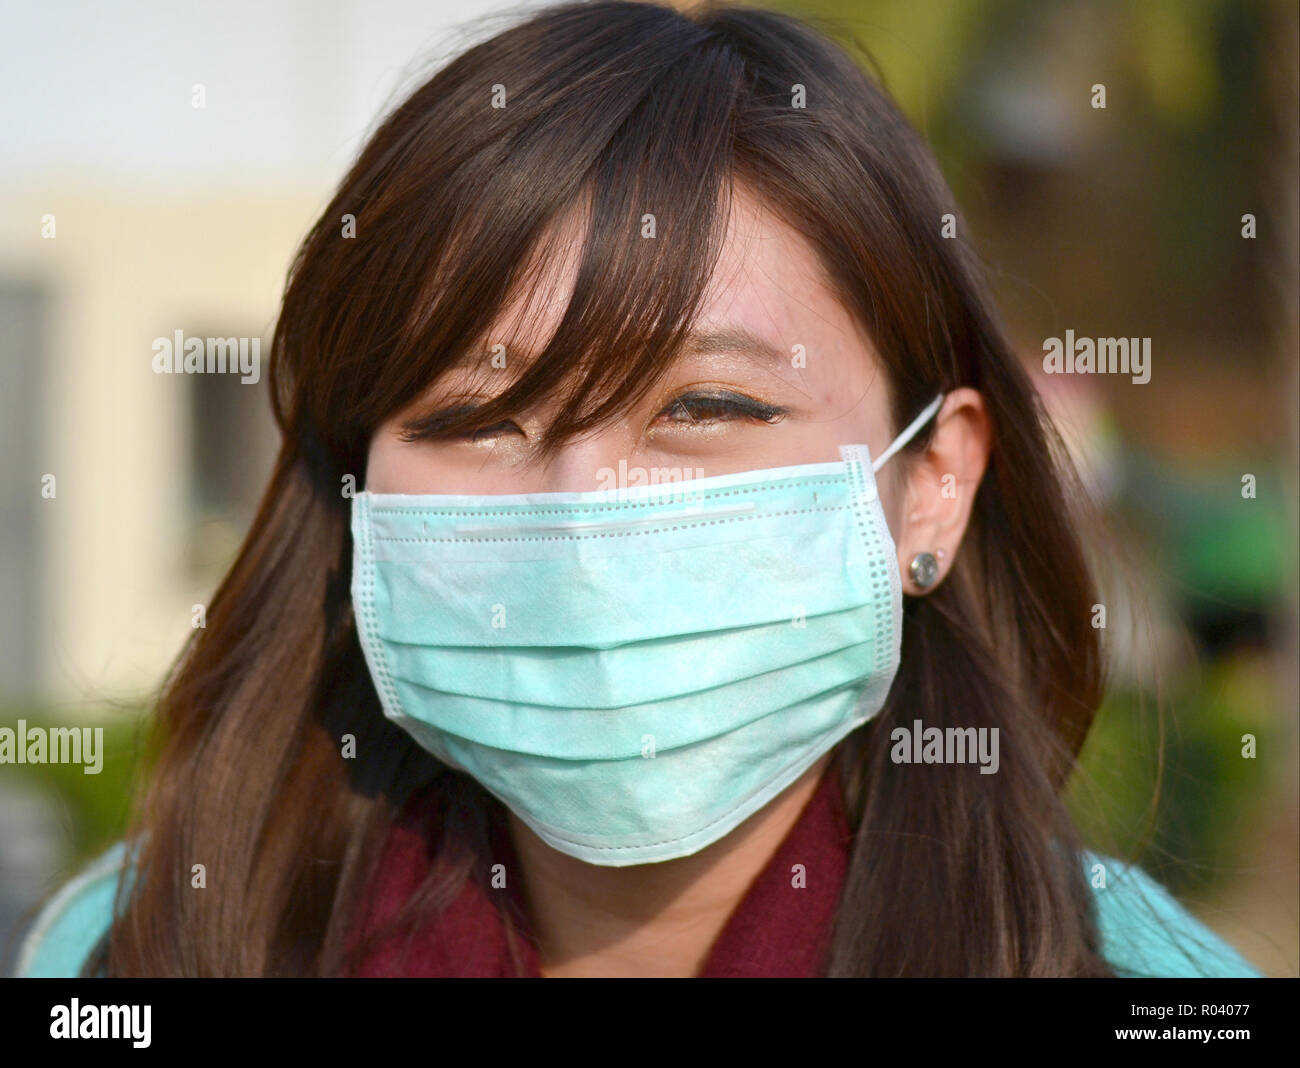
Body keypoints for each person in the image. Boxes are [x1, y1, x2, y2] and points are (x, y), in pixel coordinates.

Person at [16, 0, 1260, 978]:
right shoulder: (141, 951)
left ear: (933, 481)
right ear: (354, 487)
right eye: (471, 416)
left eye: (707, 407)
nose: (579, 520)